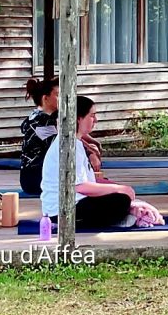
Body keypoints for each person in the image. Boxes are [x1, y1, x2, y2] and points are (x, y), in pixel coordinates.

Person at [40, 95, 135, 228]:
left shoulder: (75, 143)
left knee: (120, 196)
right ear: (79, 118)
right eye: (92, 116)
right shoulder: (67, 146)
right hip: (61, 210)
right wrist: (119, 189)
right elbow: (80, 187)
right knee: (121, 200)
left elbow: (89, 181)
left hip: (74, 203)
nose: (95, 120)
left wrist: (118, 187)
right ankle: (86, 223)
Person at [19, 77, 59, 195]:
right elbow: (60, 147)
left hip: (31, 177)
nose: (60, 99)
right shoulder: (41, 121)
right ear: (45, 98)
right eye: (57, 95)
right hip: (36, 178)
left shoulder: (37, 117)